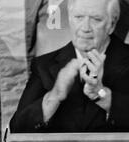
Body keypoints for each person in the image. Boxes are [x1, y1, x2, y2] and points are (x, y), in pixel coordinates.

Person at [10, 0, 129, 133]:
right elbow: (17, 130)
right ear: (70, 19)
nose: (85, 28)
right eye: (78, 17)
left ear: (111, 25)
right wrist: (54, 96)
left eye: (96, 19)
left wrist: (102, 95)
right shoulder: (44, 65)